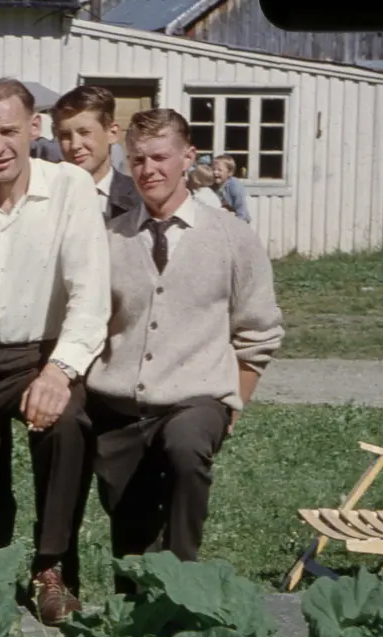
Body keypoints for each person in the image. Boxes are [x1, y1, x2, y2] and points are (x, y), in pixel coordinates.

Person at [0, 78, 110, 624]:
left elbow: (90, 292)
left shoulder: (71, 187)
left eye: (10, 131)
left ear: (35, 129)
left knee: (67, 427)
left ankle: (53, 568)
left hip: (43, 352)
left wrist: (60, 371)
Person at [85, 109, 284, 588]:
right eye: (137, 160)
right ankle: (135, 619)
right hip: (120, 406)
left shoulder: (232, 238)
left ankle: (183, 584)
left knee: (186, 448)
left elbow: (259, 332)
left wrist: (233, 402)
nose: (149, 169)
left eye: (160, 157)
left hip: (198, 399)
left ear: (187, 157)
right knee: (130, 534)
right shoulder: (109, 239)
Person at [52, 85, 140, 220]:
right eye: (65, 136)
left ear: (112, 133)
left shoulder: (140, 197)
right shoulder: (49, 196)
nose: (75, 145)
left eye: (85, 133)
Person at [212, 154, 251, 222]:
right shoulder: (213, 185)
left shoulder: (234, 185)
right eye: (213, 169)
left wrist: (240, 223)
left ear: (229, 172)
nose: (215, 172)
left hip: (239, 219)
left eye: (219, 170)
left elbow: (240, 206)